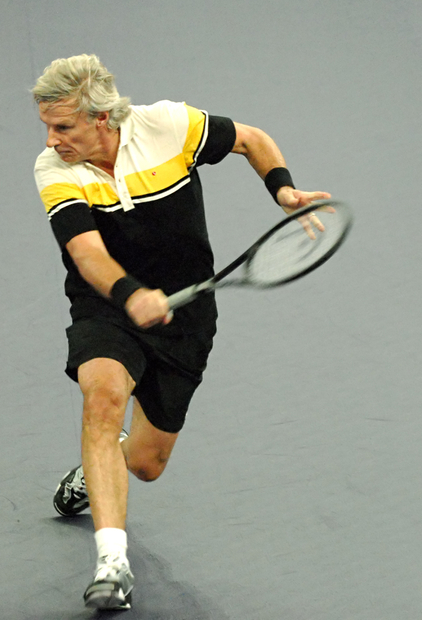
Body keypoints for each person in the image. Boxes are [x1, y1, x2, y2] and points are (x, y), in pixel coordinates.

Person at [32, 54, 330, 610]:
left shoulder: (168, 125)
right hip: (108, 308)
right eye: (47, 126)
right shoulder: (55, 169)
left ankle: (102, 468)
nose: (51, 140)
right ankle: (112, 563)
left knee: (147, 463)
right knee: (102, 398)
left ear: (101, 118)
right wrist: (131, 296)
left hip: (186, 318)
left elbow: (250, 139)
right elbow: (85, 251)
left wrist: (283, 191)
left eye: (63, 126)